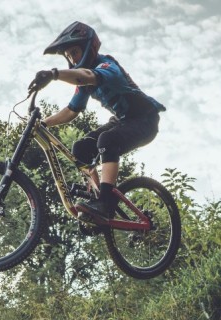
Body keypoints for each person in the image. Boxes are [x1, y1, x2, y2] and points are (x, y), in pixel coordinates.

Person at [28, 21, 166, 221]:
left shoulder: (107, 66)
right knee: (81, 148)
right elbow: (71, 110)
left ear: (88, 48)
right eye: (68, 56)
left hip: (145, 119)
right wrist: (42, 124)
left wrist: (54, 74)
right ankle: (96, 202)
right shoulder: (84, 83)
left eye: (74, 52)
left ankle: (104, 201)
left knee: (107, 141)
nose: (72, 59)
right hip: (123, 120)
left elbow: (86, 75)